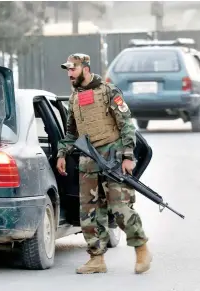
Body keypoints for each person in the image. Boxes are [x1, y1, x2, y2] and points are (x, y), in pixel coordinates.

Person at [56, 53, 152, 275]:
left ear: (86, 69)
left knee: (119, 208)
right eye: (68, 70)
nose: (69, 74)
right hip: (87, 160)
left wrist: (128, 156)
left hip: (113, 156)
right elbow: (71, 133)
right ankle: (96, 258)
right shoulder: (74, 98)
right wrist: (62, 153)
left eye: (73, 69)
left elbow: (126, 124)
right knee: (89, 212)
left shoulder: (109, 91)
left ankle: (141, 248)